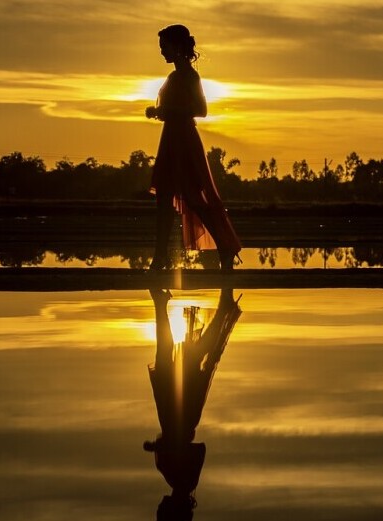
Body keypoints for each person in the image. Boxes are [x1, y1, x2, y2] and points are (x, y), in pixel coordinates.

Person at [146, 24, 242, 271]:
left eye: (164, 47)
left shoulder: (190, 76)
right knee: (164, 199)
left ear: (177, 47)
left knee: (194, 198)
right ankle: (160, 257)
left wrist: (166, 111)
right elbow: (173, 109)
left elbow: (201, 110)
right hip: (171, 138)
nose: (162, 52)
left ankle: (226, 245)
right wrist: (159, 112)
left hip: (184, 140)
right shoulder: (174, 77)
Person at [144, 288, 242, 520]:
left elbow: (171, 446)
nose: (160, 506)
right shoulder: (185, 480)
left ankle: (162, 304)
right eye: (163, 511)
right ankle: (221, 310)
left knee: (171, 358)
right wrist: (168, 447)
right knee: (185, 358)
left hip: (171, 416)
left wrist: (161, 446)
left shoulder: (175, 479)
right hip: (183, 415)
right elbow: (199, 449)